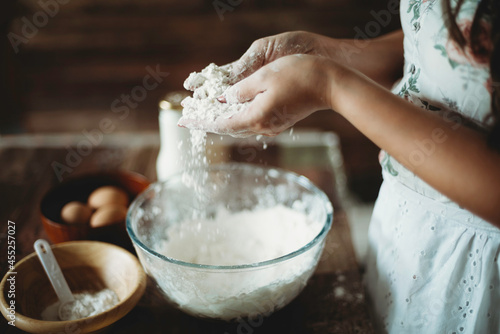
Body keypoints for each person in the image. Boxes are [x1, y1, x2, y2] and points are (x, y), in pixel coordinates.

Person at [180, 0, 500, 332]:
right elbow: (437, 42)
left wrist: (328, 84)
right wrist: (327, 54)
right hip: (407, 229)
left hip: (477, 266)